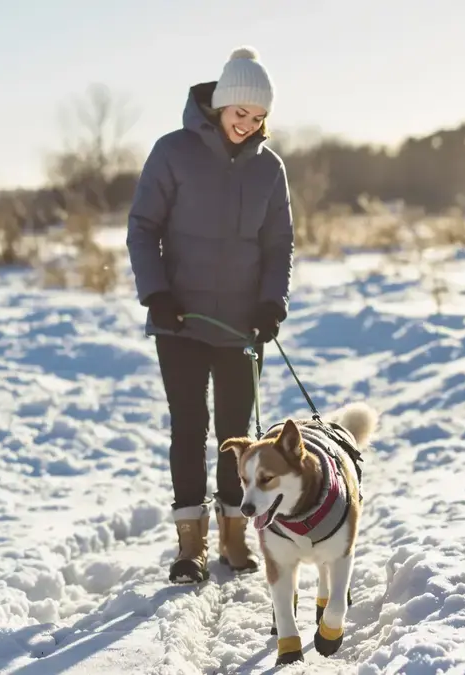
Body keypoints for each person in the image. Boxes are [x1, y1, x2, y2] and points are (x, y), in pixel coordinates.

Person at [126, 46, 294, 584]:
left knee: (236, 434)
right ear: (219, 106)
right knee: (189, 426)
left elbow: (279, 245)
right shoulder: (172, 152)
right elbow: (142, 228)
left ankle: (233, 538)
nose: (246, 125)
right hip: (178, 320)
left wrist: (272, 302)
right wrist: (157, 294)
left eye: (258, 117)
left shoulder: (271, 169)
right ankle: (190, 546)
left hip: (242, 326)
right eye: (239, 113)